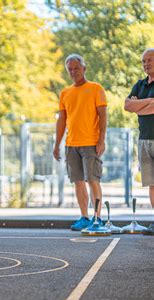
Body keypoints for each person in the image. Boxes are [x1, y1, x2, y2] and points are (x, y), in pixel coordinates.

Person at [53, 54, 108, 231]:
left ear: (84, 68)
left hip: (91, 143)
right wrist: (56, 144)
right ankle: (84, 217)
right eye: (70, 69)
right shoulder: (65, 93)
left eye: (76, 68)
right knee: (77, 181)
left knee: (93, 180)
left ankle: (97, 218)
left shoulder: (96, 88)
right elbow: (61, 120)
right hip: (71, 145)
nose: (73, 72)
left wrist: (101, 140)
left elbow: (103, 116)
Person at [124, 48, 154, 232]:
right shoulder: (139, 84)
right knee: (152, 184)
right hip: (144, 141)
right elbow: (127, 106)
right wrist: (149, 103)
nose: (146, 64)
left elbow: (136, 107)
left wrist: (139, 105)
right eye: (144, 61)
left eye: (149, 60)